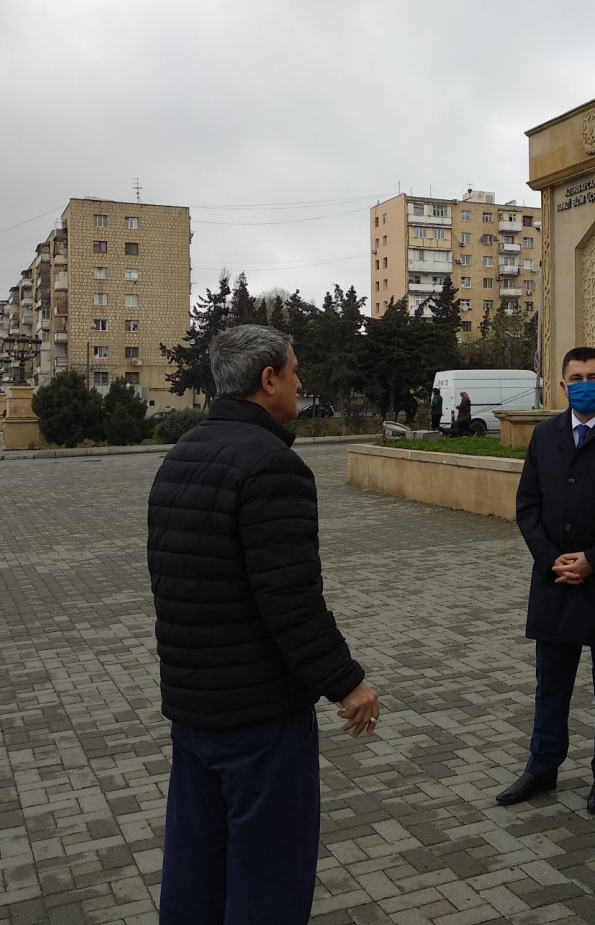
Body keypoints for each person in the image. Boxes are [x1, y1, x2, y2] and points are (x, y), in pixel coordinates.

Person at [146, 324, 380, 924]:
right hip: (260, 722)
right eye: (295, 371)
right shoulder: (273, 465)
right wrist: (348, 682)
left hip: (195, 711)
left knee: (196, 875)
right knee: (268, 882)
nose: (301, 382)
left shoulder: (181, 455)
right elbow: (290, 601)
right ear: (267, 379)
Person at [496, 346, 595, 814]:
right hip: (555, 582)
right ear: (562, 386)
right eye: (576, 377)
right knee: (551, 683)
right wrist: (551, 560)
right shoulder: (544, 437)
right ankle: (542, 766)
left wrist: (593, 560)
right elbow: (527, 505)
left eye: (594, 376)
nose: (585, 383)